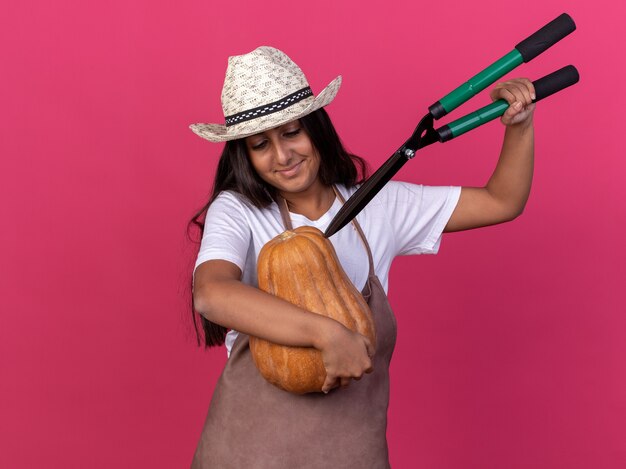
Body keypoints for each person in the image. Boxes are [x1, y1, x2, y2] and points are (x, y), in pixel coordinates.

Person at [187, 46, 535, 468]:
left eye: (293, 133)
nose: (282, 156)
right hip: (245, 456)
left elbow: (502, 201)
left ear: (317, 129)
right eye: (260, 145)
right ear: (244, 155)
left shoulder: (379, 205)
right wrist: (327, 334)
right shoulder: (239, 209)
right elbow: (211, 294)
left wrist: (519, 125)